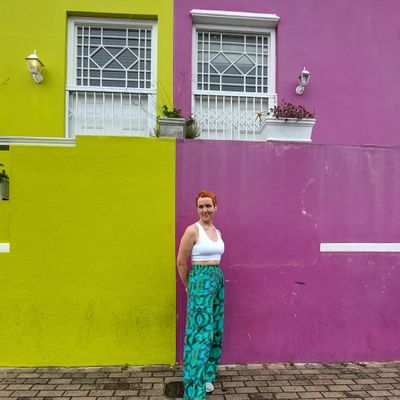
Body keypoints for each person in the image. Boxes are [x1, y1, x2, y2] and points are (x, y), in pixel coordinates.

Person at [177, 190, 225, 400]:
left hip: (217, 279)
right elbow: (181, 262)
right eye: (201, 206)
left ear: (215, 207)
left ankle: (207, 375)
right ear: (197, 209)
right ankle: (193, 388)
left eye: (208, 205)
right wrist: (189, 285)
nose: (205, 210)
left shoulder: (217, 231)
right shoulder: (192, 230)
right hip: (200, 280)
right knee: (200, 334)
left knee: (215, 329)